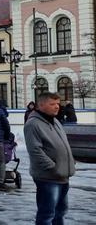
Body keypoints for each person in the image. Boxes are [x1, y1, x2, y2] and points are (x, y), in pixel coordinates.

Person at [24, 92, 75, 225]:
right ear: (41, 105)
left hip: (62, 175)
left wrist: (69, 161)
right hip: (48, 177)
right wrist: (53, 167)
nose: (57, 107)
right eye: (52, 104)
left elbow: (62, 145)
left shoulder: (55, 121)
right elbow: (35, 151)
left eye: (58, 103)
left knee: (60, 212)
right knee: (47, 214)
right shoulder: (33, 124)